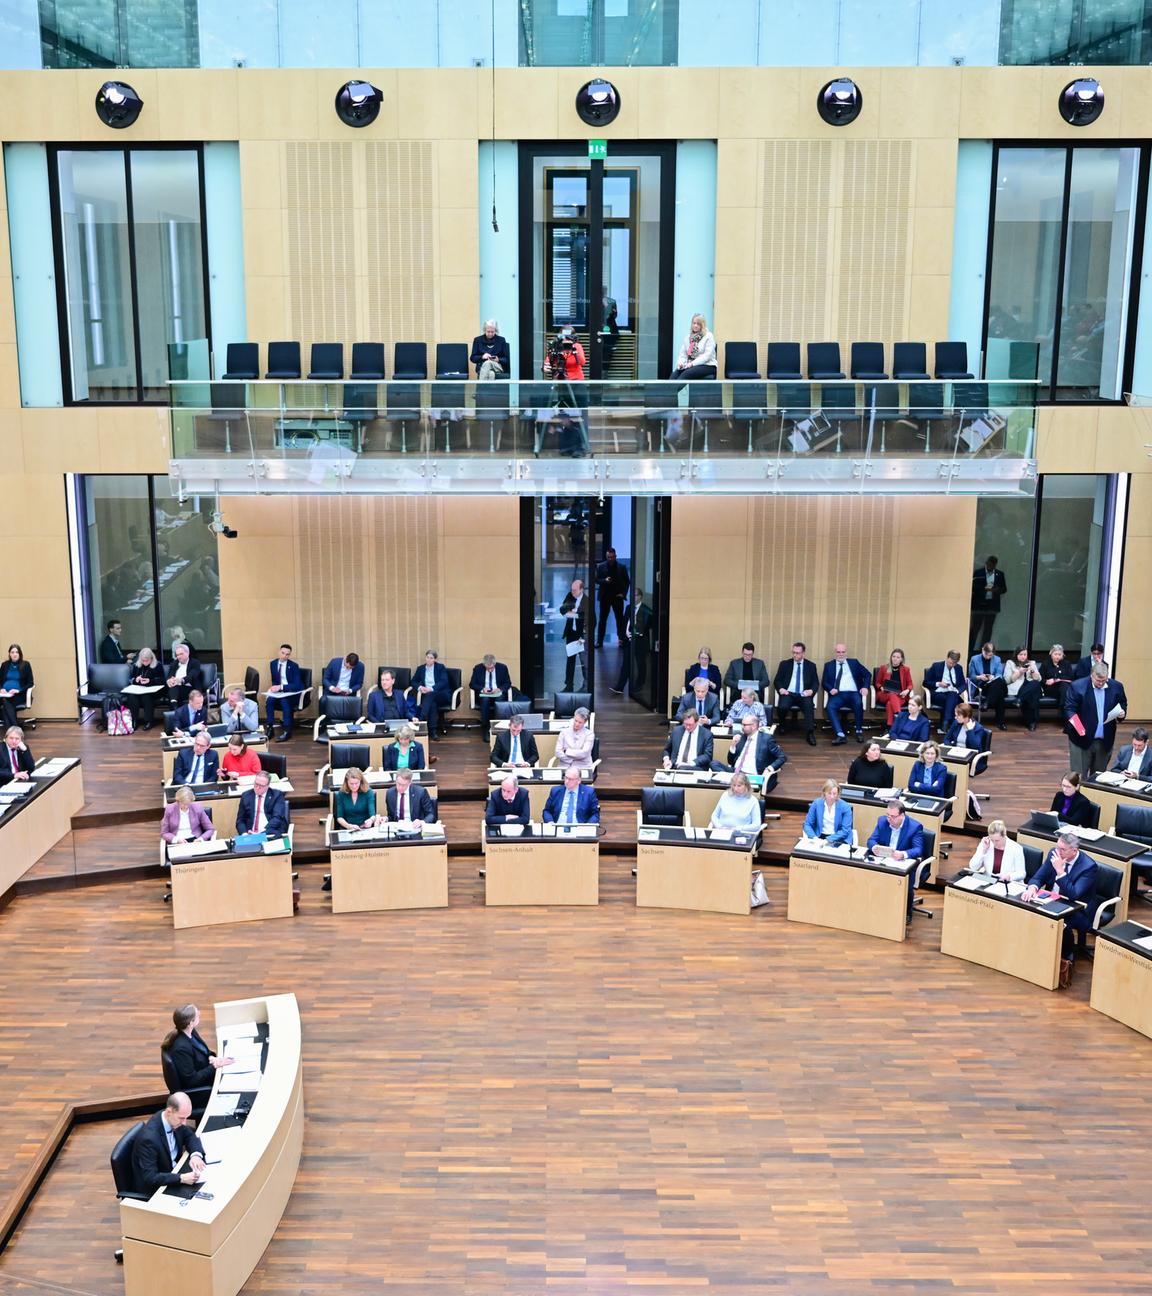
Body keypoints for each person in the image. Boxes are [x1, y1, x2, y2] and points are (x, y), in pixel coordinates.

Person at [1023, 831, 1099, 983]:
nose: (1058, 852)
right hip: (1052, 901)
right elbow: (1039, 877)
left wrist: (1060, 871)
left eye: (1062, 850)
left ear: (1074, 851)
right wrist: (1032, 887)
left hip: (1078, 910)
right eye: (1057, 847)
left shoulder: (1089, 867)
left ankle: (1066, 958)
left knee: (1061, 924)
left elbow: (1074, 895)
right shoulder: (1055, 853)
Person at [132, 1093, 206, 1196]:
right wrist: (181, 1178)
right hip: (159, 1188)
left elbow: (190, 1135)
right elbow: (150, 1177)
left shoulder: (173, 1119)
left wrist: (196, 1155)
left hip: (175, 1172)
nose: (184, 1123)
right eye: (181, 1118)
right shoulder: (149, 1139)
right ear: (169, 1112)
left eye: (186, 1118)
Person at [867, 798, 926, 922]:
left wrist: (903, 854)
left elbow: (918, 849)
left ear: (902, 815)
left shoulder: (914, 827)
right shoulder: (882, 821)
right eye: (888, 815)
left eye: (893, 816)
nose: (889, 819)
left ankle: (907, 913)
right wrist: (874, 847)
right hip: (884, 860)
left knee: (906, 885)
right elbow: (871, 840)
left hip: (903, 863)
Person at [1064, 663, 1127, 776]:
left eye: (1104, 680)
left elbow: (1123, 703)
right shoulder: (1077, 686)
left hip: (1104, 741)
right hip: (1081, 739)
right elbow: (1070, 709)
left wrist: (1122, 713)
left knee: (1098, 778)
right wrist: (1079, 728)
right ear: (1091, 675)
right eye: (1098, 680)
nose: (1101, 683)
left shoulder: (1117, 686)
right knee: (1078, 777)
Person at [163, 1006, 231, 1091]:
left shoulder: (191, 1031)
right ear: (191, 1023)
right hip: (203, 1085)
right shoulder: (181, 1048)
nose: (199, 1013)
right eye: (197, 1014)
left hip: (207, 1070)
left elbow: (203, 1050)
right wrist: (214, 1066)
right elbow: (192, 1080)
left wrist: (210, 1057)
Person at [821, 644, 871, 745]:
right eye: (838, 652)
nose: (841, 654)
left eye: (843, 652)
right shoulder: (829, 665)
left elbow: (867, 674)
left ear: (846, 652)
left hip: (853, 693)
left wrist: (865, 686)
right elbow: (824, 682)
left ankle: (858, 731)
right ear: (835, 653)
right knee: (830, 707)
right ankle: (840, 735)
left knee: (858, 704)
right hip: (838, 694)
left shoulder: (854, 663)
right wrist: (830, 689)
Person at [773, 642, 819, 746]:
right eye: (793, 652)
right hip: (789, 693)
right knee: (783, 706)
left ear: (803, 653)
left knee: (808, 706)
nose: (795, 655)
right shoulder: (785, 664)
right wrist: (781, 689)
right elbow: (777, 680)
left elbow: (815, 682)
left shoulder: (811, 666)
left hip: (803, 694)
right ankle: (782, 724)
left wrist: (811, 690)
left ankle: (810, 733)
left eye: (798, 653)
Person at [610, 586, 653, 696]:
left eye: (635, 595)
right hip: (629, 641)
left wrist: (640, 632)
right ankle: (620, 687)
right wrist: (622, 637)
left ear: (640, 597)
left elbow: (648, 625)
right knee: (626, 664)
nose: (632, 598)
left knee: (640, 664)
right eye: (631, 596)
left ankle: (639, 684)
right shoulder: (629, 607)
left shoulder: (646, 610)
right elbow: (625, 622)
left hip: (640, 641)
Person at [725, 714, 787, 779]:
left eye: (744, 725)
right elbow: (730, 761)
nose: (742, 727)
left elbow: (782, 757)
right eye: (742, 724)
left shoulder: (766, 739)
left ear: (754, 726)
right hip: (736, 772)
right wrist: (733, 746)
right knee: (714, 764)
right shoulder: (742, 738)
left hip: (752, 774)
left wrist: (769, 769)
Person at [410, 650, 452, 741]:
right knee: (432, 704)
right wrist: (420, 687)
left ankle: (421, 720)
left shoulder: (440, 667)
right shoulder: (420, 668)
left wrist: (431, 688)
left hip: (441, 694)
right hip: (428, 697)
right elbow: (413, 681)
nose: (429, 660)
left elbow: (444, 681)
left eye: (431, 658)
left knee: (430, 695)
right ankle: (433, 731)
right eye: (427, 657)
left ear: (435, 659)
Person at [469, 654, 512, 741]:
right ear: (483, 664)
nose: (489, 670)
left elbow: (508, 683)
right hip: (484, 694)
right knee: (485, 700)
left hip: (498, 692)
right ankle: (485, 728)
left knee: (499, 699)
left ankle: (499, 726)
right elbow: (472, 684)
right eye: (487, 668)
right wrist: (482, 689)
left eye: (491, 668)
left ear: (494, 664)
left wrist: (499, 689)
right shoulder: (478, 668)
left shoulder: (502, 668)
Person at [265, 643, 303, 743]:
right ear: (279, 652)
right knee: (269, 701)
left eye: (287, 654)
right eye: (283, 653)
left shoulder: (294, 666)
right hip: (278, 691)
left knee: (285, 702)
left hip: (289, 692)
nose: (284, 656)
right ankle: (270, 728)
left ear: (289, 655)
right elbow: (275, 680)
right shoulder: (273, 664)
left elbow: (297, 685)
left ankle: (287, 731)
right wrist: (273, 688)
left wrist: (281, 687)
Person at [236, 768, 290, 836]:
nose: (257, 788)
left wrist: (263, 832)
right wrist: (244, 834)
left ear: (267, 786)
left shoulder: (277, 795)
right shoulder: (246, 796)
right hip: (250, 834)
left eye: (261, 786)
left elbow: (277, 818)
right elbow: (240, 820)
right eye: (256, 784)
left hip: (270, 832)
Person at [594, 547, 630, 648]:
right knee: (602, 619)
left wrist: (623, 594)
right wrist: (604, 581)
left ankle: (621, 640)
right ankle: (599, 641)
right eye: (609, 557)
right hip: (605, 597)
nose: (611, 559)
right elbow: (596, 580)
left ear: (615, 556)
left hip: (617, 596)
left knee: (619, 619)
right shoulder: (600, 566)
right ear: (606, 557)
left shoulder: (622, 567)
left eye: (612, 557)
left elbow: (627, 582)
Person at [923, 651, 967, 735]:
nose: (951, 665)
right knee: (953, 702)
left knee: (952, 695)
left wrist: (957, 691)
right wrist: (938, 683)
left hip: (952, 694)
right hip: (937, 694)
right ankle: (951, 724)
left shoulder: (958, 668)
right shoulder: (936, 666)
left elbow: (963, 684)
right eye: (950, 662)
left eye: (954, 663)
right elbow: (925, 682)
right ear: (947, 658)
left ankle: (945, 723)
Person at [970, 555, 1007, 652]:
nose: (991, 566)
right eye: (989, 564)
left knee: (988, 629)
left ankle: (984, 650)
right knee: (975, 628)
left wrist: (996, 590)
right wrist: (984, 589)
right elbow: (973, 587)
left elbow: (1004, 589)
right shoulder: (978, 573)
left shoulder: (1000, 574)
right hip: (979, 606)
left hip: (992, 606)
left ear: (995, 565)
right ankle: (970, 649)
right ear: (986, 563)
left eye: (993, 565)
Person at [967, 642, 1007, 730]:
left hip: (995, 684)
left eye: (990, 655)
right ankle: (1001, 723)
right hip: (983, 686)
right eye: (987, 655)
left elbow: (999, 674)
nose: (988, 657)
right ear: (982, 650)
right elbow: (971, 676)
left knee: (998, 682)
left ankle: (987, 703)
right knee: (999, 694)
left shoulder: (997, 659)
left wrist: (993, 677)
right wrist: (979, 677)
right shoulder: (974, 659)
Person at [123, 647, 164, 731]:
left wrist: (150, 681)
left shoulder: (158, 665)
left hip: (153, 690)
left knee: (147, 696)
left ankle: (148, 721)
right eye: (143, 660)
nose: (144, 662)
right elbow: (131, 679)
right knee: (131, 696)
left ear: (151, 658)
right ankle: (134, 720)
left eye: (147, 660)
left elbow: (162, 680)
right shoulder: (136, 665)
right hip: (139, 689)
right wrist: (136, 679)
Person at [802, 779, 853, 846]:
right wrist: (814, 838)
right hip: (819, 836)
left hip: (839, 838)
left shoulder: (845, 807)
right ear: (824, 793)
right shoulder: (816, 804)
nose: (832, 797)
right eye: (829, 793)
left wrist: (828, 840)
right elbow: (807, 824)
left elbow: (845, 830)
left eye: (834, 794)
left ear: (838, 793)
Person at [559, 578, 589, 691]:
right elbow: (562, 609)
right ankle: (569, 685)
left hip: (581, 635)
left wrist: (575, 614)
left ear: (581, 590)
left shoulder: (587, 601)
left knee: (583, 661)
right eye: (572, 590)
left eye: (575, 590)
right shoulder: (570, 596)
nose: (573, 592)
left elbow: (591, 620)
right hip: (571, 633)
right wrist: (575, 614)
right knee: (570, 660)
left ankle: (586, 685)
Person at [1004, 647, 1043, 731]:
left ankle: (1019, 700)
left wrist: (1032, 671)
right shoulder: (1010, 663)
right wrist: (1020, 672)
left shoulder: (1032, 663)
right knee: (1032, 695)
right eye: (1021, 654)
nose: (1023, 657)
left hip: (1030, 687)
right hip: (1019, 688)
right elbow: (1007, 680)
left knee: (1035, 684)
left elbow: (1039, 679)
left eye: (1025, 654)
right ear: (1016, 655)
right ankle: (1032, 722)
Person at [874, 649, 914, 729]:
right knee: (891, 694)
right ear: (891, 657)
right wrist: (881, 687)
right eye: (894, 656)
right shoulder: (884, 668)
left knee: (890, 704)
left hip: (900, 696)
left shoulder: (906, 670)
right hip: (884, 694)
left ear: (901, 659)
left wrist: (907, 690)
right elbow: (877, 683)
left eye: (898, 657)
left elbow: (910, 684)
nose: (895, 659)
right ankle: (899, 716)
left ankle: (890, 727)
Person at [671, 313, 717, 380]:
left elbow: (707, 356)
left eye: (698, 324)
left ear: (702, 325)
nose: (695, 326)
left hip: (707, 365)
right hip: (690, 365)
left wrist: (692, 363)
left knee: (686, 373)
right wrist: (681, 363)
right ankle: (668, 390)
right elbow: (683, 355)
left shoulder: (708, 336)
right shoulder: (688, 337)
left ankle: (675, 390)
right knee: (675, 374)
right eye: (694, 323)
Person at [0, 645, 33, 731]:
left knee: (4, 704)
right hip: (4, 694)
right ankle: (16, 731)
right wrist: (1, 689)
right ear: (9, 654)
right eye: (12, 652)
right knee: (4, 700)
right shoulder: (4, 665)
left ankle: (12, 732)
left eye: (16, 652)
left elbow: (30, 683)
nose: (14, 654)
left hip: (19, 695)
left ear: (20, 654)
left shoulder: (25, 665)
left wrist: (18, 690)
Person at [166, 643, 205, 709]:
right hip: (176, 689)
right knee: (173, 687)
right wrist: (169, 681)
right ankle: (174, 705)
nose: (179, 657)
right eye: (177, 655)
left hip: (191, 688)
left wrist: (180, 680)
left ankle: (174, 707)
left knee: (174, 688)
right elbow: (170, 676)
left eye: (181, 654)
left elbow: (192, 676)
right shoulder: (174, 663)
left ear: (188, 653)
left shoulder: (195, 663)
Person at [1040, 644, 1075, 711]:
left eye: (1059, 654)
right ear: (1051, 654)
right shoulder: (1045, 664)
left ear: (1062, 655)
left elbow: (1070, 677)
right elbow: (1040, 678)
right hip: (1051, 688)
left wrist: (1057, 679)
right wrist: (1046, 681)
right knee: (1065, 690)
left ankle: (1062, 708)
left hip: (1063, 688)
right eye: (1055, 654)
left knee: (1064, 686)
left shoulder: (1066, 664)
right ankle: (1064, 710)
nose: (1057, 656)